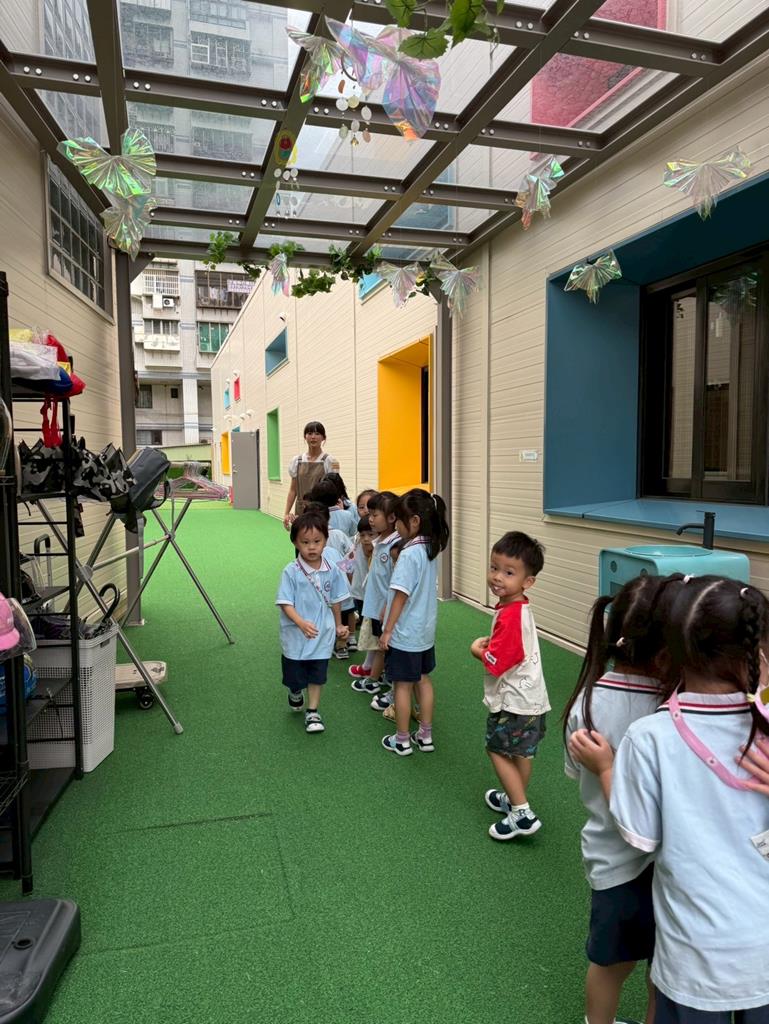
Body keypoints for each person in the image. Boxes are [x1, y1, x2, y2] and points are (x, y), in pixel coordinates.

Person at [570, 575, 769, 1023]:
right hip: (759, 947)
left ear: (672, 649)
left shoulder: (649, 736)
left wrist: (607, 770)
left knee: (613, 965)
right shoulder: (761, 723)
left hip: (692, 953)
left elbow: (641, 834)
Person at [563, 573, 684, 1024]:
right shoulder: (676, 707)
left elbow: (575, 770)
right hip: (672, 865)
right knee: (662, 971)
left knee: (610, 966)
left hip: (611, 863)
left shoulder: (588, 700)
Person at [469, 531, 549, 839]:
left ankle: (521, 813)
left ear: (528, 582)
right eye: (494, 567)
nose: (497, 577)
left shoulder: (511, 615)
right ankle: (514, 797)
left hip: (513, 701)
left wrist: (478, 650)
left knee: (496, 750)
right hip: (532, 699)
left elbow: (498, 661)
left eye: (508, 572)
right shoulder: (518, 607)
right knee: (522, 753)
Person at [379, 489, 449, 756]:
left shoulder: (409, 554)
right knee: (423, 679)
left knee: (402, 686)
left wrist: (387, 630)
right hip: (424, 632)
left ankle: (402, 740)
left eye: (398, 520)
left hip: (405, 633)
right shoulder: (431, 549)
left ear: (415, 521)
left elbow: (401, 596)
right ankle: (425, 735)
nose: (395, 525)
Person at [275, 510, 349, 734]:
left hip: (322, 633)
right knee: (295, 676)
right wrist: (301, 623)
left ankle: (313, 710)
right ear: (295, 543)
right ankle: (295, 690)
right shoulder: (291, 571)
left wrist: (338, 625)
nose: (312, 547)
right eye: (305, 542)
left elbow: (336, 600)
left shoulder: (332, 569)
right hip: (295, 635)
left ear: (326, 540)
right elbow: (285, 603)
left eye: (317, 541)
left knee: (317, 673)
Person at [349, 491, 399, 696]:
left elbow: (395, 582)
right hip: (376, 605)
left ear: (392, 517)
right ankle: (376, 677)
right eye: (369, 514)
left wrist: (387, 606)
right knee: (379, 644)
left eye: (374, 514)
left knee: (384, 646)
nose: (370, 519)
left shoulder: (395, 546)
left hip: (385, 608)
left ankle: (379, 680)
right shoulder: (379, 541)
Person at [282, 421, 339, 530]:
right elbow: (293, 490)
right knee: (301, 537)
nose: (313, 437)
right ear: (305, 437)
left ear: (324, 438)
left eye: (317, 434)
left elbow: (335, 489)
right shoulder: (296, 461)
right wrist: (286, 513)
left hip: (322, 510)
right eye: (309, 433)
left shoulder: (331, 461)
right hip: (301, 509)